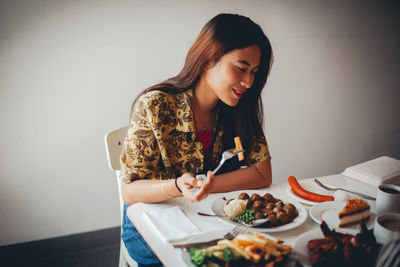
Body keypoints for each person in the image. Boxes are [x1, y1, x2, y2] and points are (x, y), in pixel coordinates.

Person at [119, 13, 274, 267]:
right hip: (153, 227)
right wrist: (179, 186)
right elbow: (129, 191)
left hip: (213, 221)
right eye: (241, 68)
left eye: (254, 72)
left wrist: (206, 185)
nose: (248, 82)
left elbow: (261, 174)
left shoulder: (239, 107)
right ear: (207, 60)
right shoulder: (156, 105)